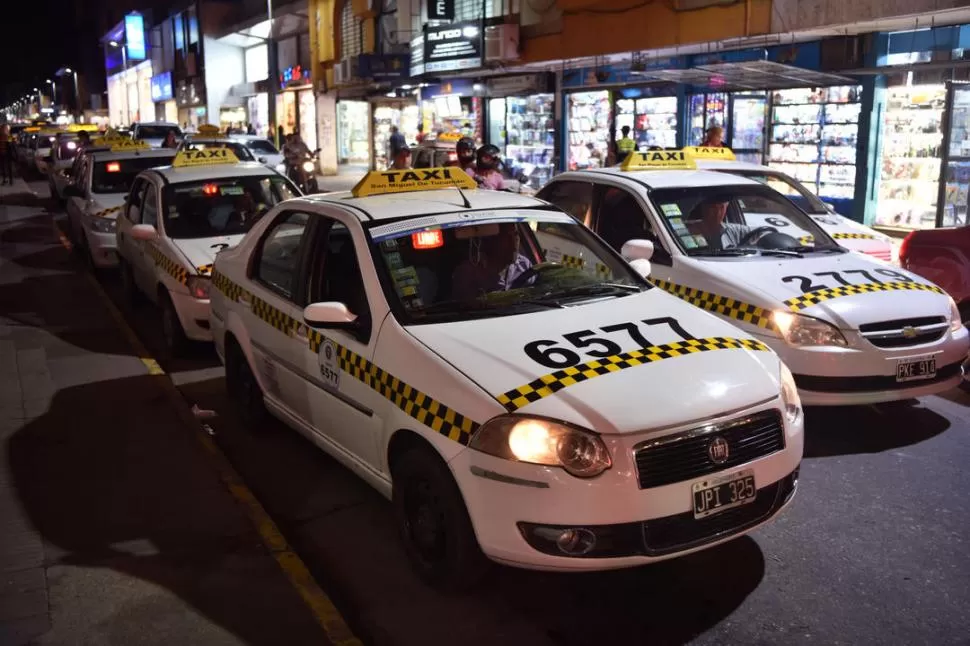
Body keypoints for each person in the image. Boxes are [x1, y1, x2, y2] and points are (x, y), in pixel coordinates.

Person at [451, 223, 534, 301]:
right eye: (506, 237)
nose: (514, 242)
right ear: (492, 241)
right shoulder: (468, 272)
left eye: (516, 234)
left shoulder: (525, 265)